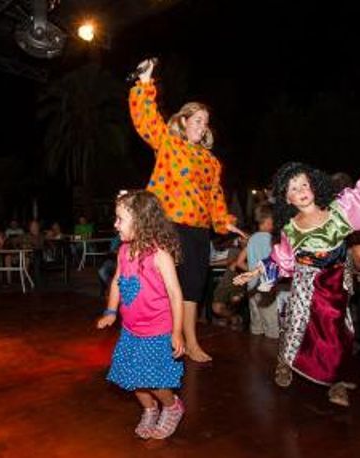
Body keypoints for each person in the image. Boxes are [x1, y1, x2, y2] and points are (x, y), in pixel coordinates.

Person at [233, 139, 360, 407]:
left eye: (304, 184)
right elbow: (282, 258)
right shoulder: (290, 228)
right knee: (297, 324)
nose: (301, 191)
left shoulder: (338, 211)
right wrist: (255, 270)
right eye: (293, 188)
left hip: (336, 283)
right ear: (287, 198)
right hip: (306, 283)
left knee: (335, 332)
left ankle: (336, 380)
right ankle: (286, 362)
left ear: (314, 186)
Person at [129, 58, 245, 362]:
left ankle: (191, 342)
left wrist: (223, 222)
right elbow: (146, 120)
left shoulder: (211, 162)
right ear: (183, 121)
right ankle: (160, 341)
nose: (202, 126)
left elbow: (214, 196)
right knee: (164, 286)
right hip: (167, 225)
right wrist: (145, 83)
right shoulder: (169, 143)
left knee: (193, 286)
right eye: (197, 120)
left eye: (205, 122)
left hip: (197, 231)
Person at [97, 190, 186, 440]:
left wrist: (177, 332)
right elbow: (117, 281)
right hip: (131, 330)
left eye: (120, 219)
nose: (115, 225)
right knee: (132, 377)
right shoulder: (123, 251)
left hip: (157, 331)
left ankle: (172, 406)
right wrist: (111, 311)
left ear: (141, 221)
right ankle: (149, 409)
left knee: (154, 380)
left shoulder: (160, 255)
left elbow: (175, 294)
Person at [234, 204, 282, 339]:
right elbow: (271, 264)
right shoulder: (271, 240)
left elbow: (239, 262)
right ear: (269, 221)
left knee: (256, 327)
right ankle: (270, 352)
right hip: (265, 288)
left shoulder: (252, 239)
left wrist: (252, 271)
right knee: (272, 328)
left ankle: (255, 350)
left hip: (251, 288)